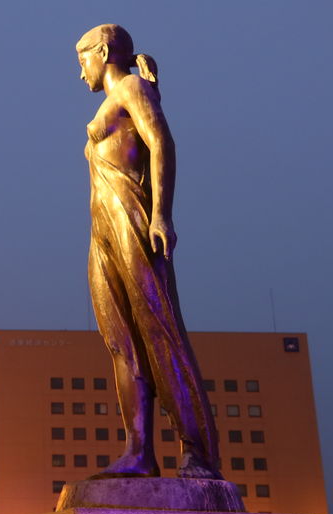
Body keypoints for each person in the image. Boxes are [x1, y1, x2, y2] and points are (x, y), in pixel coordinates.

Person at [77, 24, 221, 479]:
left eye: (82, 58)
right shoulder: (115, 99)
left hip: (133, 218)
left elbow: (161, 143)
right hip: (102, 227)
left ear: (102, 51)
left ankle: (198, 451)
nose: (79, 70)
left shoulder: (133, 88)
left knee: (160, 330)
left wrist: (162, 213)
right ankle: (139, 450)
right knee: (121, 342)